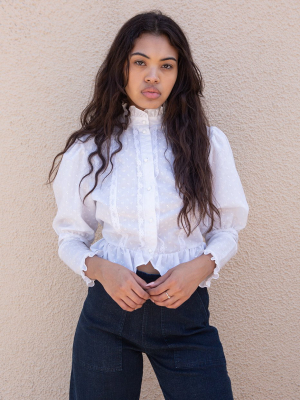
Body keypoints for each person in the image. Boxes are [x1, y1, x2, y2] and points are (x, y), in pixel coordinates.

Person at [48, 10, 249, 400]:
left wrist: (200, 268)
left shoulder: (207, 144)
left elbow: (228, 228)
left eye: (166, 65)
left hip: (185, 315)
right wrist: (102, 270)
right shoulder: (90, 149)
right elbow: (70, 236)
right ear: (121, 68)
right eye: (140, 62)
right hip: (108, 317)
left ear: (179, 75)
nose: (152, 76)